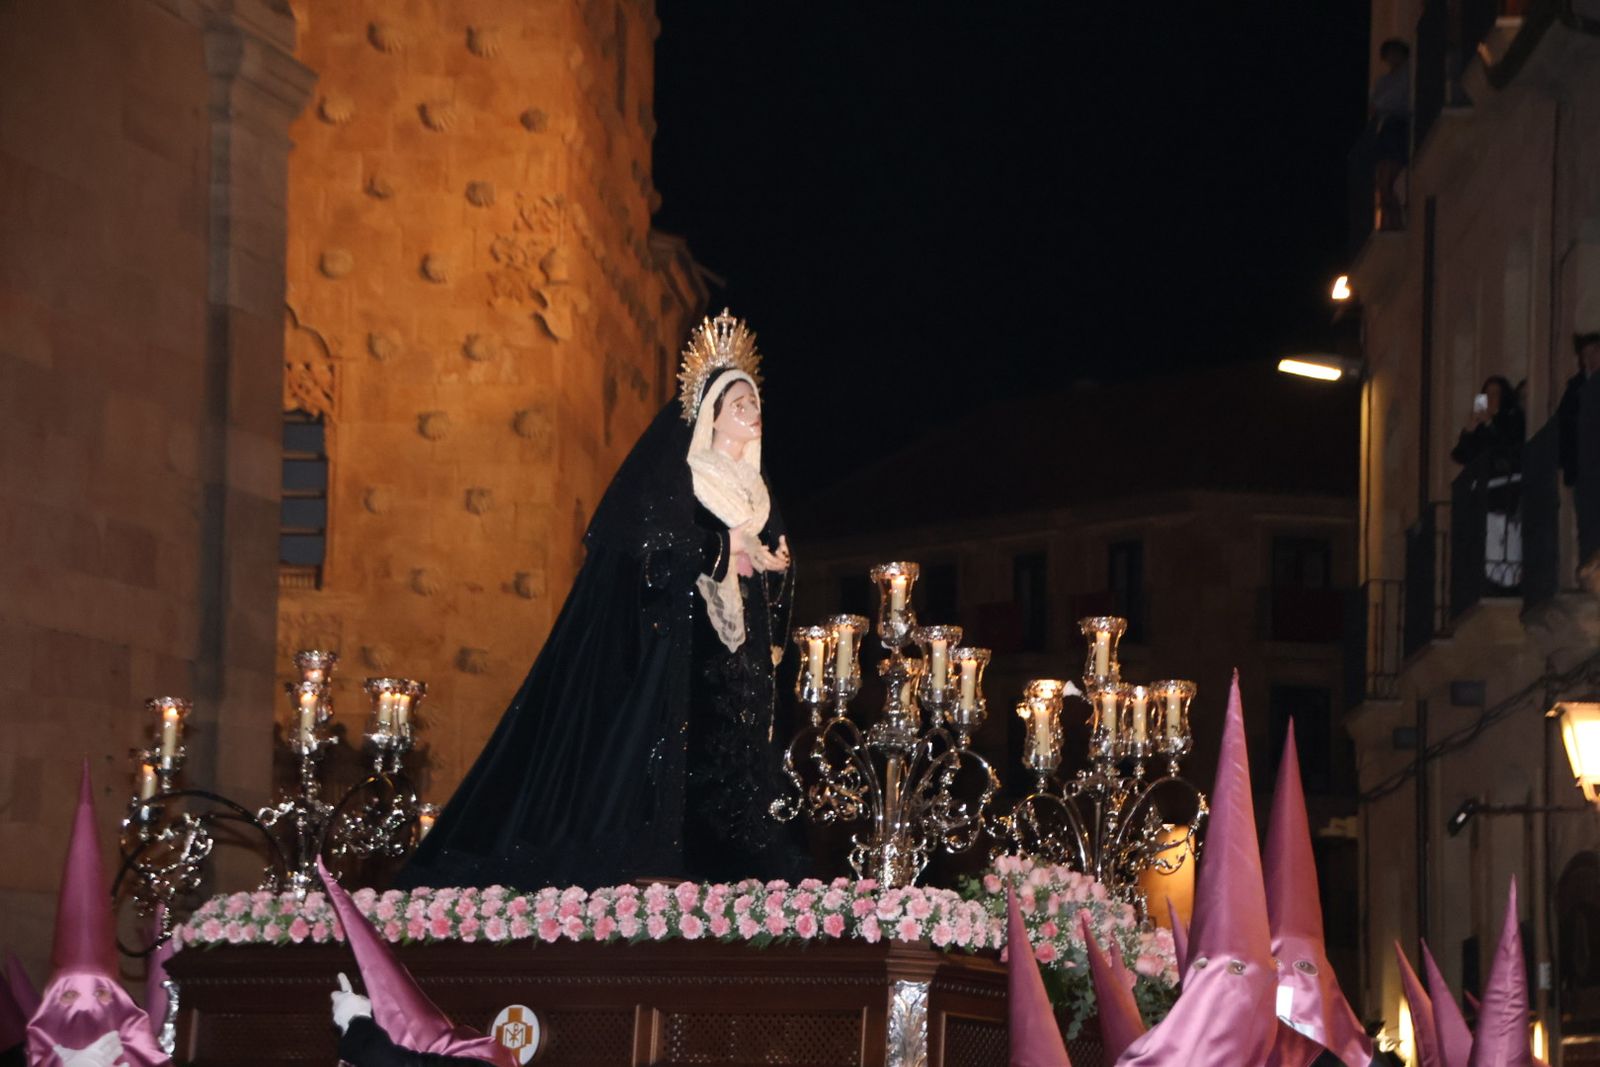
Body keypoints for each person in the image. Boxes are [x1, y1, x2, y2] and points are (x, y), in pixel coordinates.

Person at [398, 309, 802, 890]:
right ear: (711, 414)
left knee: (737, 777)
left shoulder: (756, 493)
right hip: (676, 653)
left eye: (755, 403)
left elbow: (758, 571)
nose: (753, 413)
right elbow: (654, 549)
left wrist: (769, 565)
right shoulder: (684, 476)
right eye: (740, 404)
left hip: (733, 665)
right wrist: (722, 547)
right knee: (664, 773)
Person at [1451, 375, 1525, 589]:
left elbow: (1510, 445)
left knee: (1507, 543)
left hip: (1506, 494)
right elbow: (1460, 455)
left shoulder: (1512, 418)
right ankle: (1492, 584)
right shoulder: (1481, 428)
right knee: (1489, 546)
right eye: (1487, 394)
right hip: (1485, 497)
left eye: (1495, 394)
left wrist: (1492, 423)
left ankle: (1509, 586)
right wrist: (1470, 429)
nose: (1491, 399)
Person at [1369, 39, 1411, 230]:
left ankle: (1396, 224)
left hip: (1398, 126)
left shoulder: (1406, 74)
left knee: (1386, 182)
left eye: (1395, 52)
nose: (1392, 57)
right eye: (1389, 54)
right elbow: (1375, 102)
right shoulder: (1384, 80)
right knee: (1381, 184)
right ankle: (1390, 223)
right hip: (1386, 129)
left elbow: (1387, 101)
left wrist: (1380, 106)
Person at [1557, 331, 1600, 486]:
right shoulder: (1575, 388)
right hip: (1582, 470)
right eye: (1585, 355)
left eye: (1595, 352)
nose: (1591, 359)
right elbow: (1563, 425)